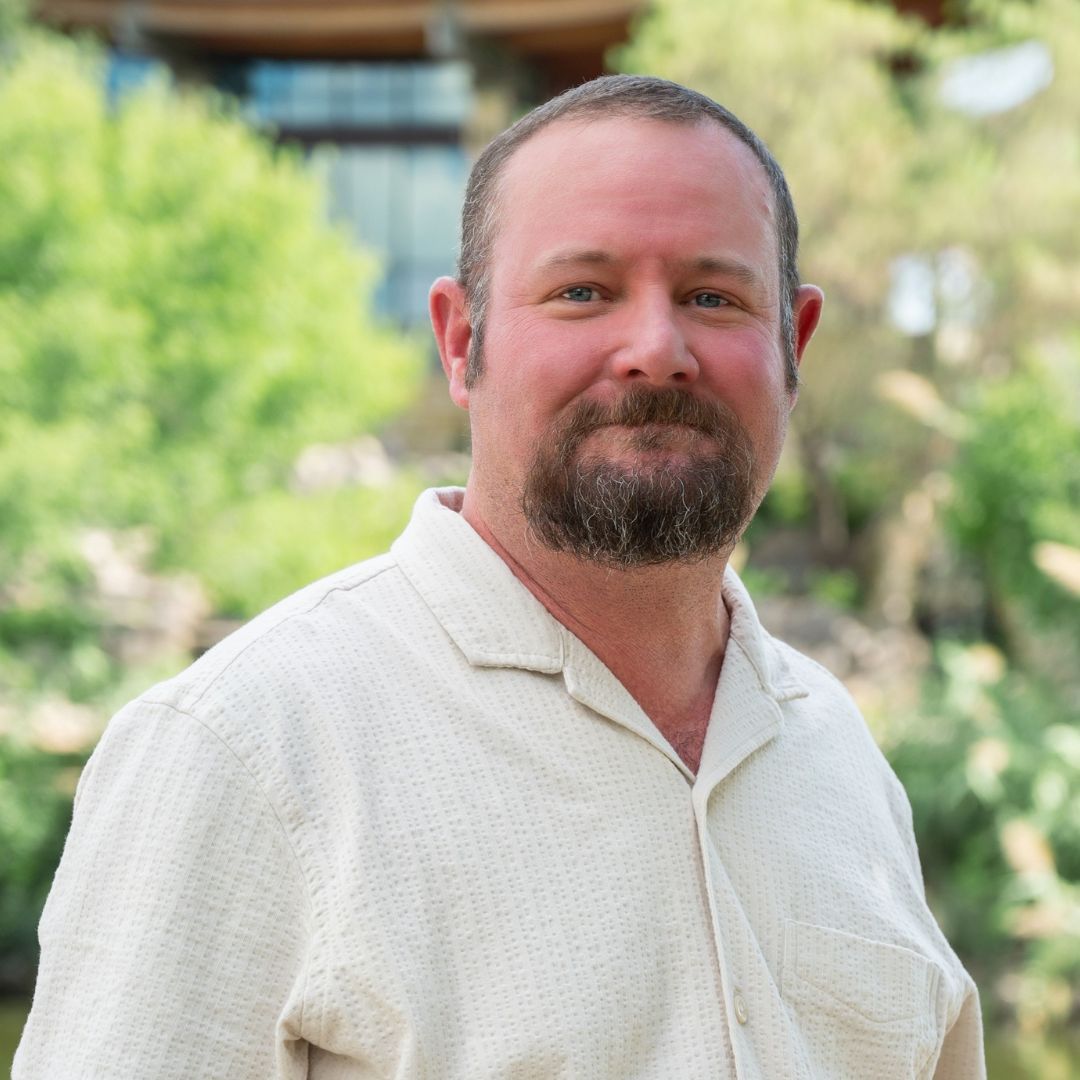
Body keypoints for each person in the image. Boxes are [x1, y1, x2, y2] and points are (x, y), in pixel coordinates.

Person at [15, 75, 985, 1079]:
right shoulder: (245, 751)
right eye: (582, 293)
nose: (656, 349)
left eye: (712, 295)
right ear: (461, 340)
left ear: (793, 345)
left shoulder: (836, 756)